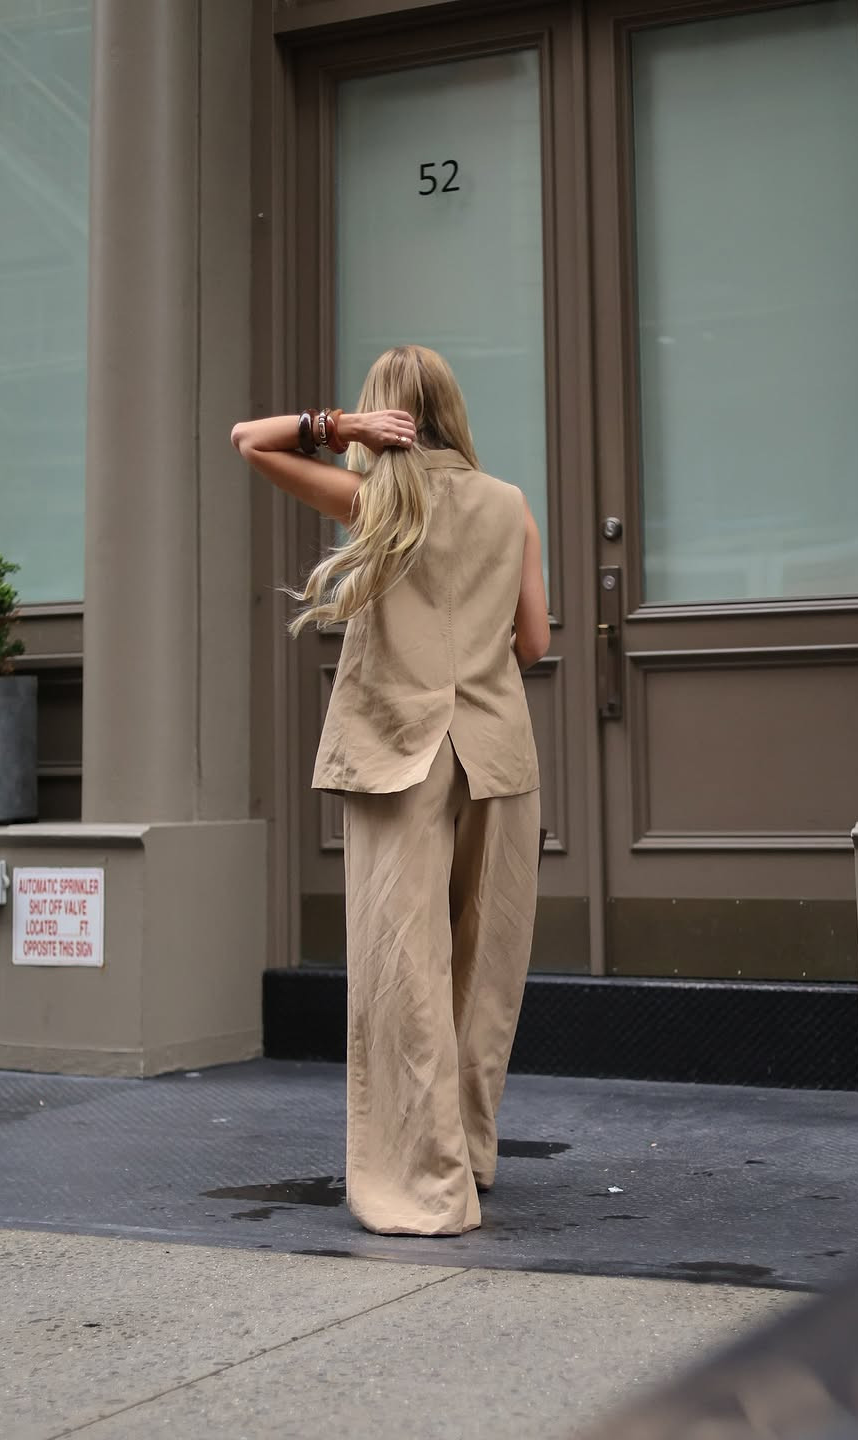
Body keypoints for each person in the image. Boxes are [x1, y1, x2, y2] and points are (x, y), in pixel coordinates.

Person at [230, 344, 550, 1236]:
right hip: (494, 753)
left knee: (402, 966)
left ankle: (428, 1187)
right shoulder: (510, 505)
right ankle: (472, 1156)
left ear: (384, 415)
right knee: (484, 966)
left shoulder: (376, 498)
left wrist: (334, 428)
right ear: (453, 410)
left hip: (399, 752)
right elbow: (534, 643)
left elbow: (249, 442)